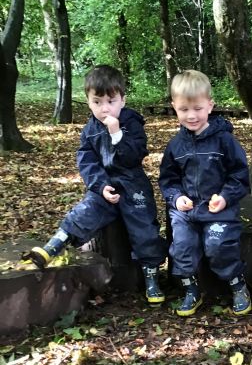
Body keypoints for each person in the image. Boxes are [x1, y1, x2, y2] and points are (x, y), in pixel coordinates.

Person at [23, 65, 168, 304]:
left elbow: (134, 156)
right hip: (105, 186)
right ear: (89, 102)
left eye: (111, 101)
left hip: (133, 186)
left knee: (144, 229)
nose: (105, 108)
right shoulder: (89, 131)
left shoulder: (132, 123)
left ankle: (151, 277)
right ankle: (54, 246)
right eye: (97, 102)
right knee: (84, 212)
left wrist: (117, 134)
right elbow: (87, 162)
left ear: (122, 100)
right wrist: (100, 186)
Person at [159, 69, 252, 317]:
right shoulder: (175, 145)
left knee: (218, 245)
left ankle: (238, 285)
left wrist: (225, 197)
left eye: (198, 108)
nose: (191, 116)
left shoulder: (225, 141)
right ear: (174, 107)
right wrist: (176, 197)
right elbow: (168, 179)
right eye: (184, 109)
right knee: (182, 246)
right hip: (186, 211)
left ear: (210, 105)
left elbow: (240, 175)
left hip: (218, 208)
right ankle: (191, 290)